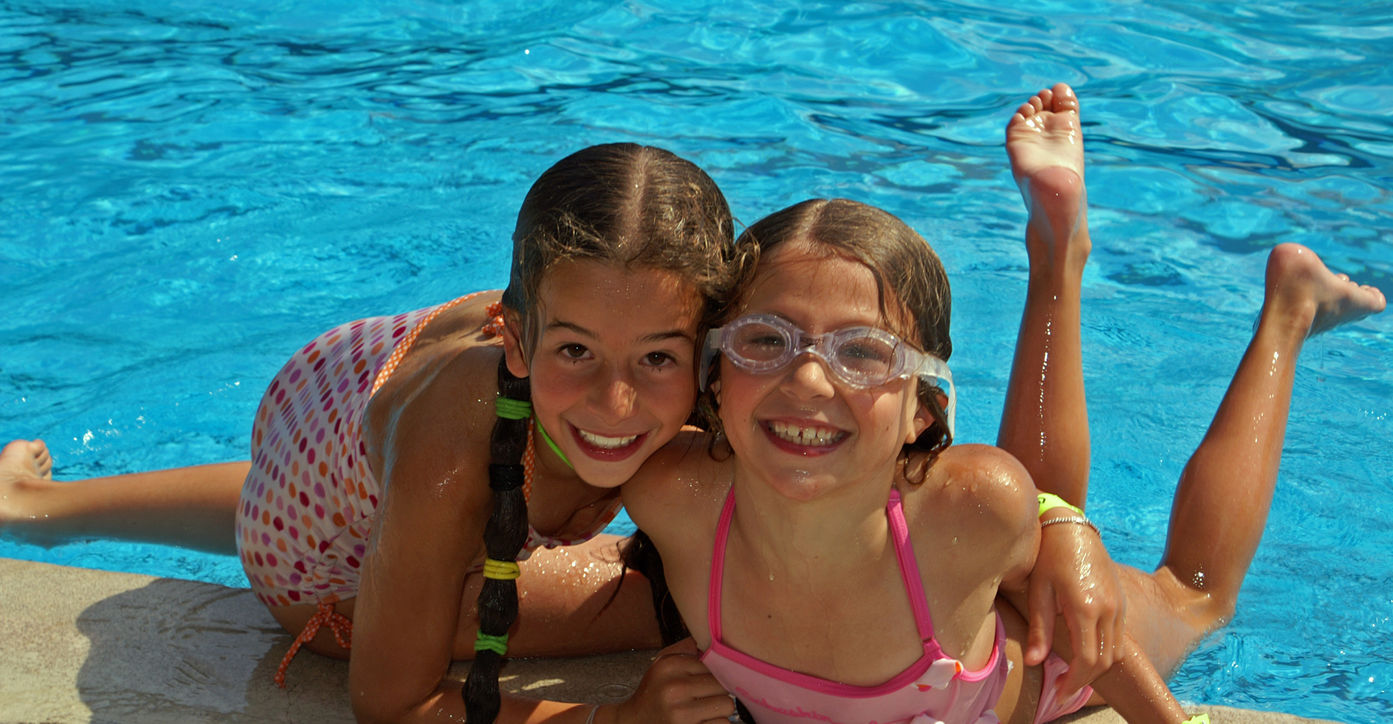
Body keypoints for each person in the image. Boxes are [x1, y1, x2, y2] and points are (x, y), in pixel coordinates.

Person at [0, 134, 1123, 724]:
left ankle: (39, 507)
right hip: (324, 548)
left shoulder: (681, 365)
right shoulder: (459, 456)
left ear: (709, 343)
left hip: (333, 431)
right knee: (675, 598)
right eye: (577, 351)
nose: (623, 406)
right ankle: (49, 509)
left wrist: (1061, 526)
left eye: (660, 361)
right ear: (517, 333)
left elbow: (959, 489)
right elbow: (391, 705)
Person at [619, 93, 1386, 724]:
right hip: (987, 548)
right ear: (714, 375)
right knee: (1028, 510)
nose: (810, 380)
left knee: (1194, 593)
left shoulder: (965, 513)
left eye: (862, 353)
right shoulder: (669, 493)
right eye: (765, 341)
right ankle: (1056, 249)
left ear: (922, 411)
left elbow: (1092, 633)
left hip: (1052, 664)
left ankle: (1286, 312)